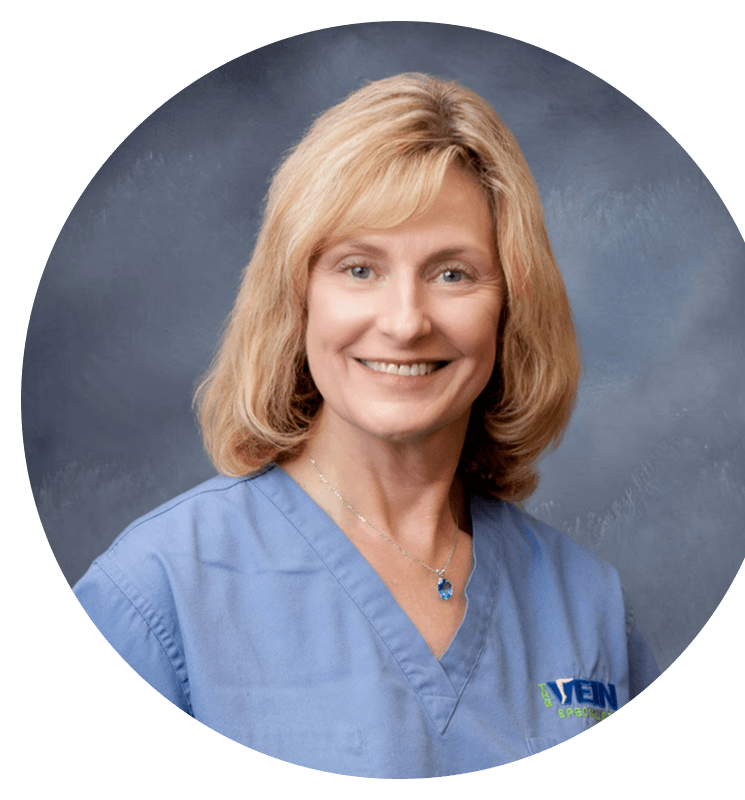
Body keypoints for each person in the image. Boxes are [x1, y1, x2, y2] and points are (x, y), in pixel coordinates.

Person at [73, 73, 660, 778]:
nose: (407, 322)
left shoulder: (587, 604)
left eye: (453, 274)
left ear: (510, 306)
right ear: (298, 298)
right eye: (359, 269)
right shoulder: (155, 594)